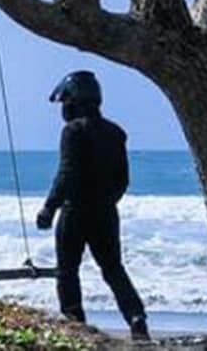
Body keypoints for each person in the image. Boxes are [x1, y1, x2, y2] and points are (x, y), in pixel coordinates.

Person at [37, 70, 149, 341]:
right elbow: (123, 179)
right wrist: (106, 201)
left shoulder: (73, 131)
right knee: (113, 268)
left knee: (67, 271)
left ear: (74, 101)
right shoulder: (115, 132)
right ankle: (136, 319)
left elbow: (67, 172)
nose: (64, 109)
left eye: (66, 103)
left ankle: (76, 324)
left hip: (75, 211)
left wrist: (49, 207)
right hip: (107, 212)